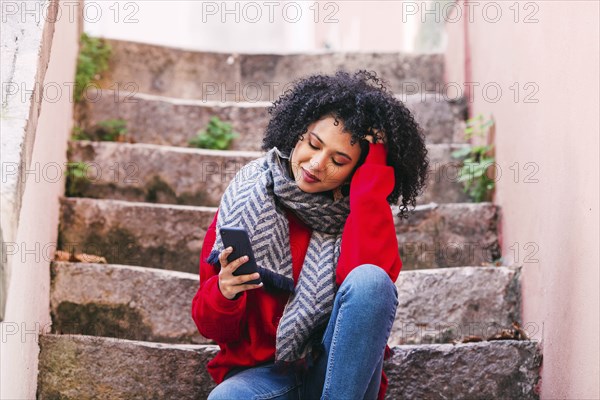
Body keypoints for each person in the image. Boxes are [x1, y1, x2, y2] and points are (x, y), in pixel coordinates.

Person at [191, 70, 429, 400]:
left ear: (354, 171)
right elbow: (212, 328)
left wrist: (372, 173)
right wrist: (224, 292)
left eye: (339, 160)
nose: (316, 164)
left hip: (340, 375)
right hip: (263, 378)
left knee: (371, 280)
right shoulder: (245, 202)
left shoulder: (361, 212)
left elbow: (370, 291)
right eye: (314, 144)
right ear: (298, 133)